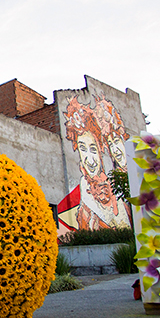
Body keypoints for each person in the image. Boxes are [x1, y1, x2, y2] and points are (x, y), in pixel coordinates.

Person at [62, 97, 130, 230]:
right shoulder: (84, 187)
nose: (90, 159)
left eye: (93, 149)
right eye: (83, 149)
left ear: (101, 150)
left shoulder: (115, 186)